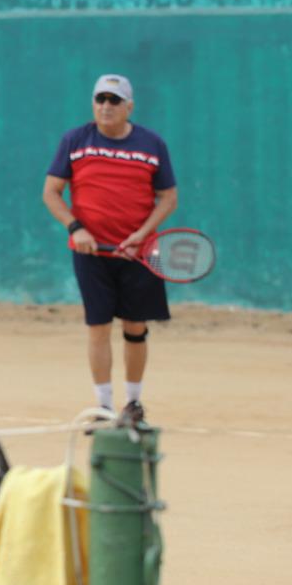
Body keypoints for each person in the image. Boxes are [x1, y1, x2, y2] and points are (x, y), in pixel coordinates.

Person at [42, 75, 178, 425]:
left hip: (139, 253)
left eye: (114, 100)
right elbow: (51, 192)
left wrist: (141, 235)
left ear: (128, 106)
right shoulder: (75, 140)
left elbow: (169, 198)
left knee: (135, 327)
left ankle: (133, 405)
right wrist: (76, 228)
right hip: (91, 254)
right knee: (98, 327)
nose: (105, 106)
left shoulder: (152, 144)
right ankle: (102, 407)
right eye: (100, 99)